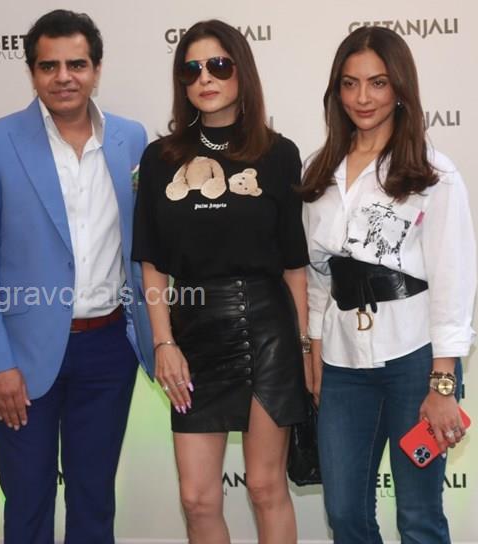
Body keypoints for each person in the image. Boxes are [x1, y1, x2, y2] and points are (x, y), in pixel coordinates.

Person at [0, 9, 154, 544]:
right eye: (49, 66)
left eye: (77, 65)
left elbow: (143, 246)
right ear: (32, 72)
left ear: (96, 70)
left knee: (94, 499)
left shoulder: (132, 139)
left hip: (108, 349)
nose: (64, 77)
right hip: (21, 356)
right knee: (27, 499)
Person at [132, 20, 310, 544]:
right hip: (192, 330)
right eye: (191, 69)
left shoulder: (279, 153)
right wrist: (163, 342)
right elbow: (152, 263)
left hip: (268, 329)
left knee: (265, 486)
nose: (205, 78)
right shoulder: (160, 158)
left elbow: (294, 265)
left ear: (241, 71)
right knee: (197, 498)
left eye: (218, 65)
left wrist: (305, 347)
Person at [301, 26, 475, 543]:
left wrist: (442, 384)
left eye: (377, 83)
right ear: (336, 91)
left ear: (400, 88)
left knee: (418, 517)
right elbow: (317, 275)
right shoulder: (319, 172)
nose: (362, 97)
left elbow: (453, 280)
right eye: (350, 83)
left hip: (415, 360)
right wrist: (314, 349)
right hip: (341, 363)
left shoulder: (433, 173)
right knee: (345, 512)